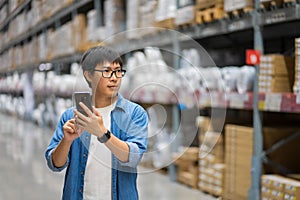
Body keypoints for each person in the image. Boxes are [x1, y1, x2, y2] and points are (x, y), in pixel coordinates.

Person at [45, 46, 148, 200]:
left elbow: (133, 157)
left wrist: (102, 133)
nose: (114, 77)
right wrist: (66, 141)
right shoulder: (71, 116)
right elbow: (55, 164)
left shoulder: (134, 114)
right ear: (89, 75)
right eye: (106, 71)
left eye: (118, 71)